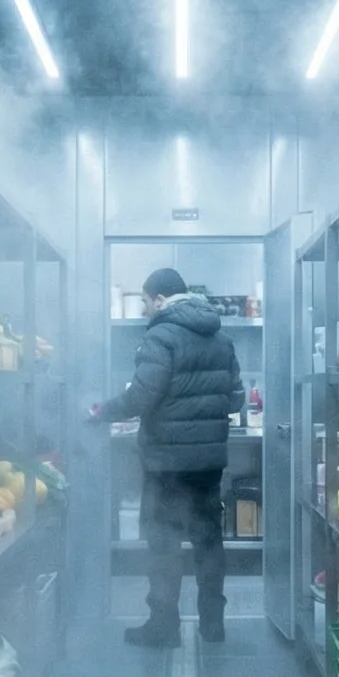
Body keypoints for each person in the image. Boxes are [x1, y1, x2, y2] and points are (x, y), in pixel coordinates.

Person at [96, 268, 243, 645]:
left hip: (167, 464)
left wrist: (103, 411)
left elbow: (142, 395)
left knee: (163, 544)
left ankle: (163, 626)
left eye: (146, 301)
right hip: (209, 463)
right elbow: (237, 397)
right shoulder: (222, 340)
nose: (146, 309)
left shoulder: (159, 336)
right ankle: (213, 624)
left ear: (159, 299)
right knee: (209, 542)